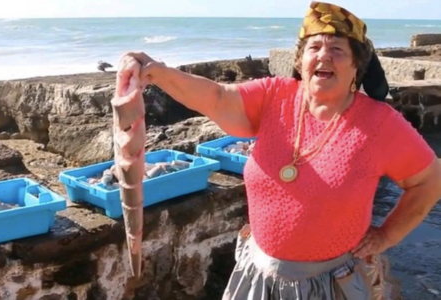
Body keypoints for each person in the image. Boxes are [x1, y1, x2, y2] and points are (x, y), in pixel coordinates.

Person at [115, 1, 441, 299]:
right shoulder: (275, 97)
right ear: (300, 60)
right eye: (314, 47)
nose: (324, 55)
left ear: (357, 66)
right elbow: (217, 97)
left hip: (332, 284)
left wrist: (386, 236)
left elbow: (429, 180)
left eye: (337, 50)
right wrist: (157, 72)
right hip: (259, 276)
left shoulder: (379, 123)